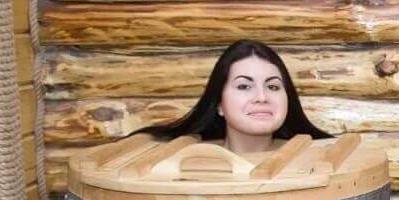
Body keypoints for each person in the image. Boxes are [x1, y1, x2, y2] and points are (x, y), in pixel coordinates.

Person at [139, 39, 330, 155]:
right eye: (244, 86)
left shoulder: (318, 161)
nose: (262, 97)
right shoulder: (183, 164)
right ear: (219, 103)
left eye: (272, 86)